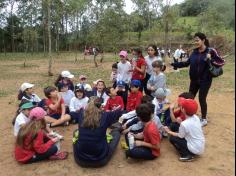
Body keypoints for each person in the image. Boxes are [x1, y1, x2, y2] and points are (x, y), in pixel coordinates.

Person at [171, 32, 225, 126]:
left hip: (205, 80)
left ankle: (203, 119)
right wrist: (174, 64)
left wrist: (210, 59)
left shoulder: (211, 51)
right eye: (194, 40)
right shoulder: (194, 52)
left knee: (201, 99)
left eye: (197, 40)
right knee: (189, 98)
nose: (196, 42)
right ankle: (188, 115)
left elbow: (221, 62)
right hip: (194, 80)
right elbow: (187, 63)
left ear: (203, 40)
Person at [73, 96, 123, 167]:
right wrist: (116, 109)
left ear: (87, 105)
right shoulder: (106, 115)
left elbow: (73, 114)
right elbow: (119, 111)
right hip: (100, 160)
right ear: (101, 106)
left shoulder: (81, 113)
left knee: (76, 132)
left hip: (80, 159)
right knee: (116, 133)